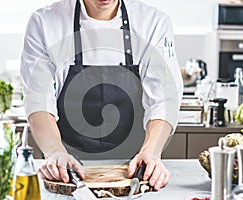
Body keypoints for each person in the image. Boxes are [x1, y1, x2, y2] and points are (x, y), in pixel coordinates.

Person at [21, 0, 183, 191]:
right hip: (66, 171)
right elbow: (38, 98)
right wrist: (55, 152)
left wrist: (151, 152)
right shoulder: (44, 23)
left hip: (134, 170)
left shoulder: (153, 22)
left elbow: (164, 99)